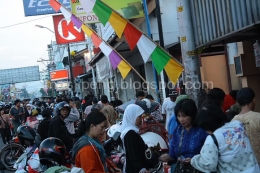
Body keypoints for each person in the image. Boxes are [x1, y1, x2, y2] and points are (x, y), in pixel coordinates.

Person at [191, 104, 260, 172]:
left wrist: (194, 160)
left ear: (204, 125)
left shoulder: (212, 139)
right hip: (254, 170)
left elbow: (209, 165)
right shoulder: (237, 124)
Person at [160, 99, 208, 172]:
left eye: (184, 116)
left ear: (192, 114)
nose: (181, 119)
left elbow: (209, 155)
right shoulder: (177, 130)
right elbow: (173, 154)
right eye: (178, 116)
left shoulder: (202, 131)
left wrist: (193, 160)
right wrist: (167, 157)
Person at [232, 87, 260, 164]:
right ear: (254, 100)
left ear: (238, 103)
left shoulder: (233, 122)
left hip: (244, 165)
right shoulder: (258, 118)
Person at [121, 104, 149, 173]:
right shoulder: (130, 134)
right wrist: (141, 169)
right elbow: (133, 155)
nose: (141, 119)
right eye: (139, 116)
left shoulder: (131, 132)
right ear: (132, 116)